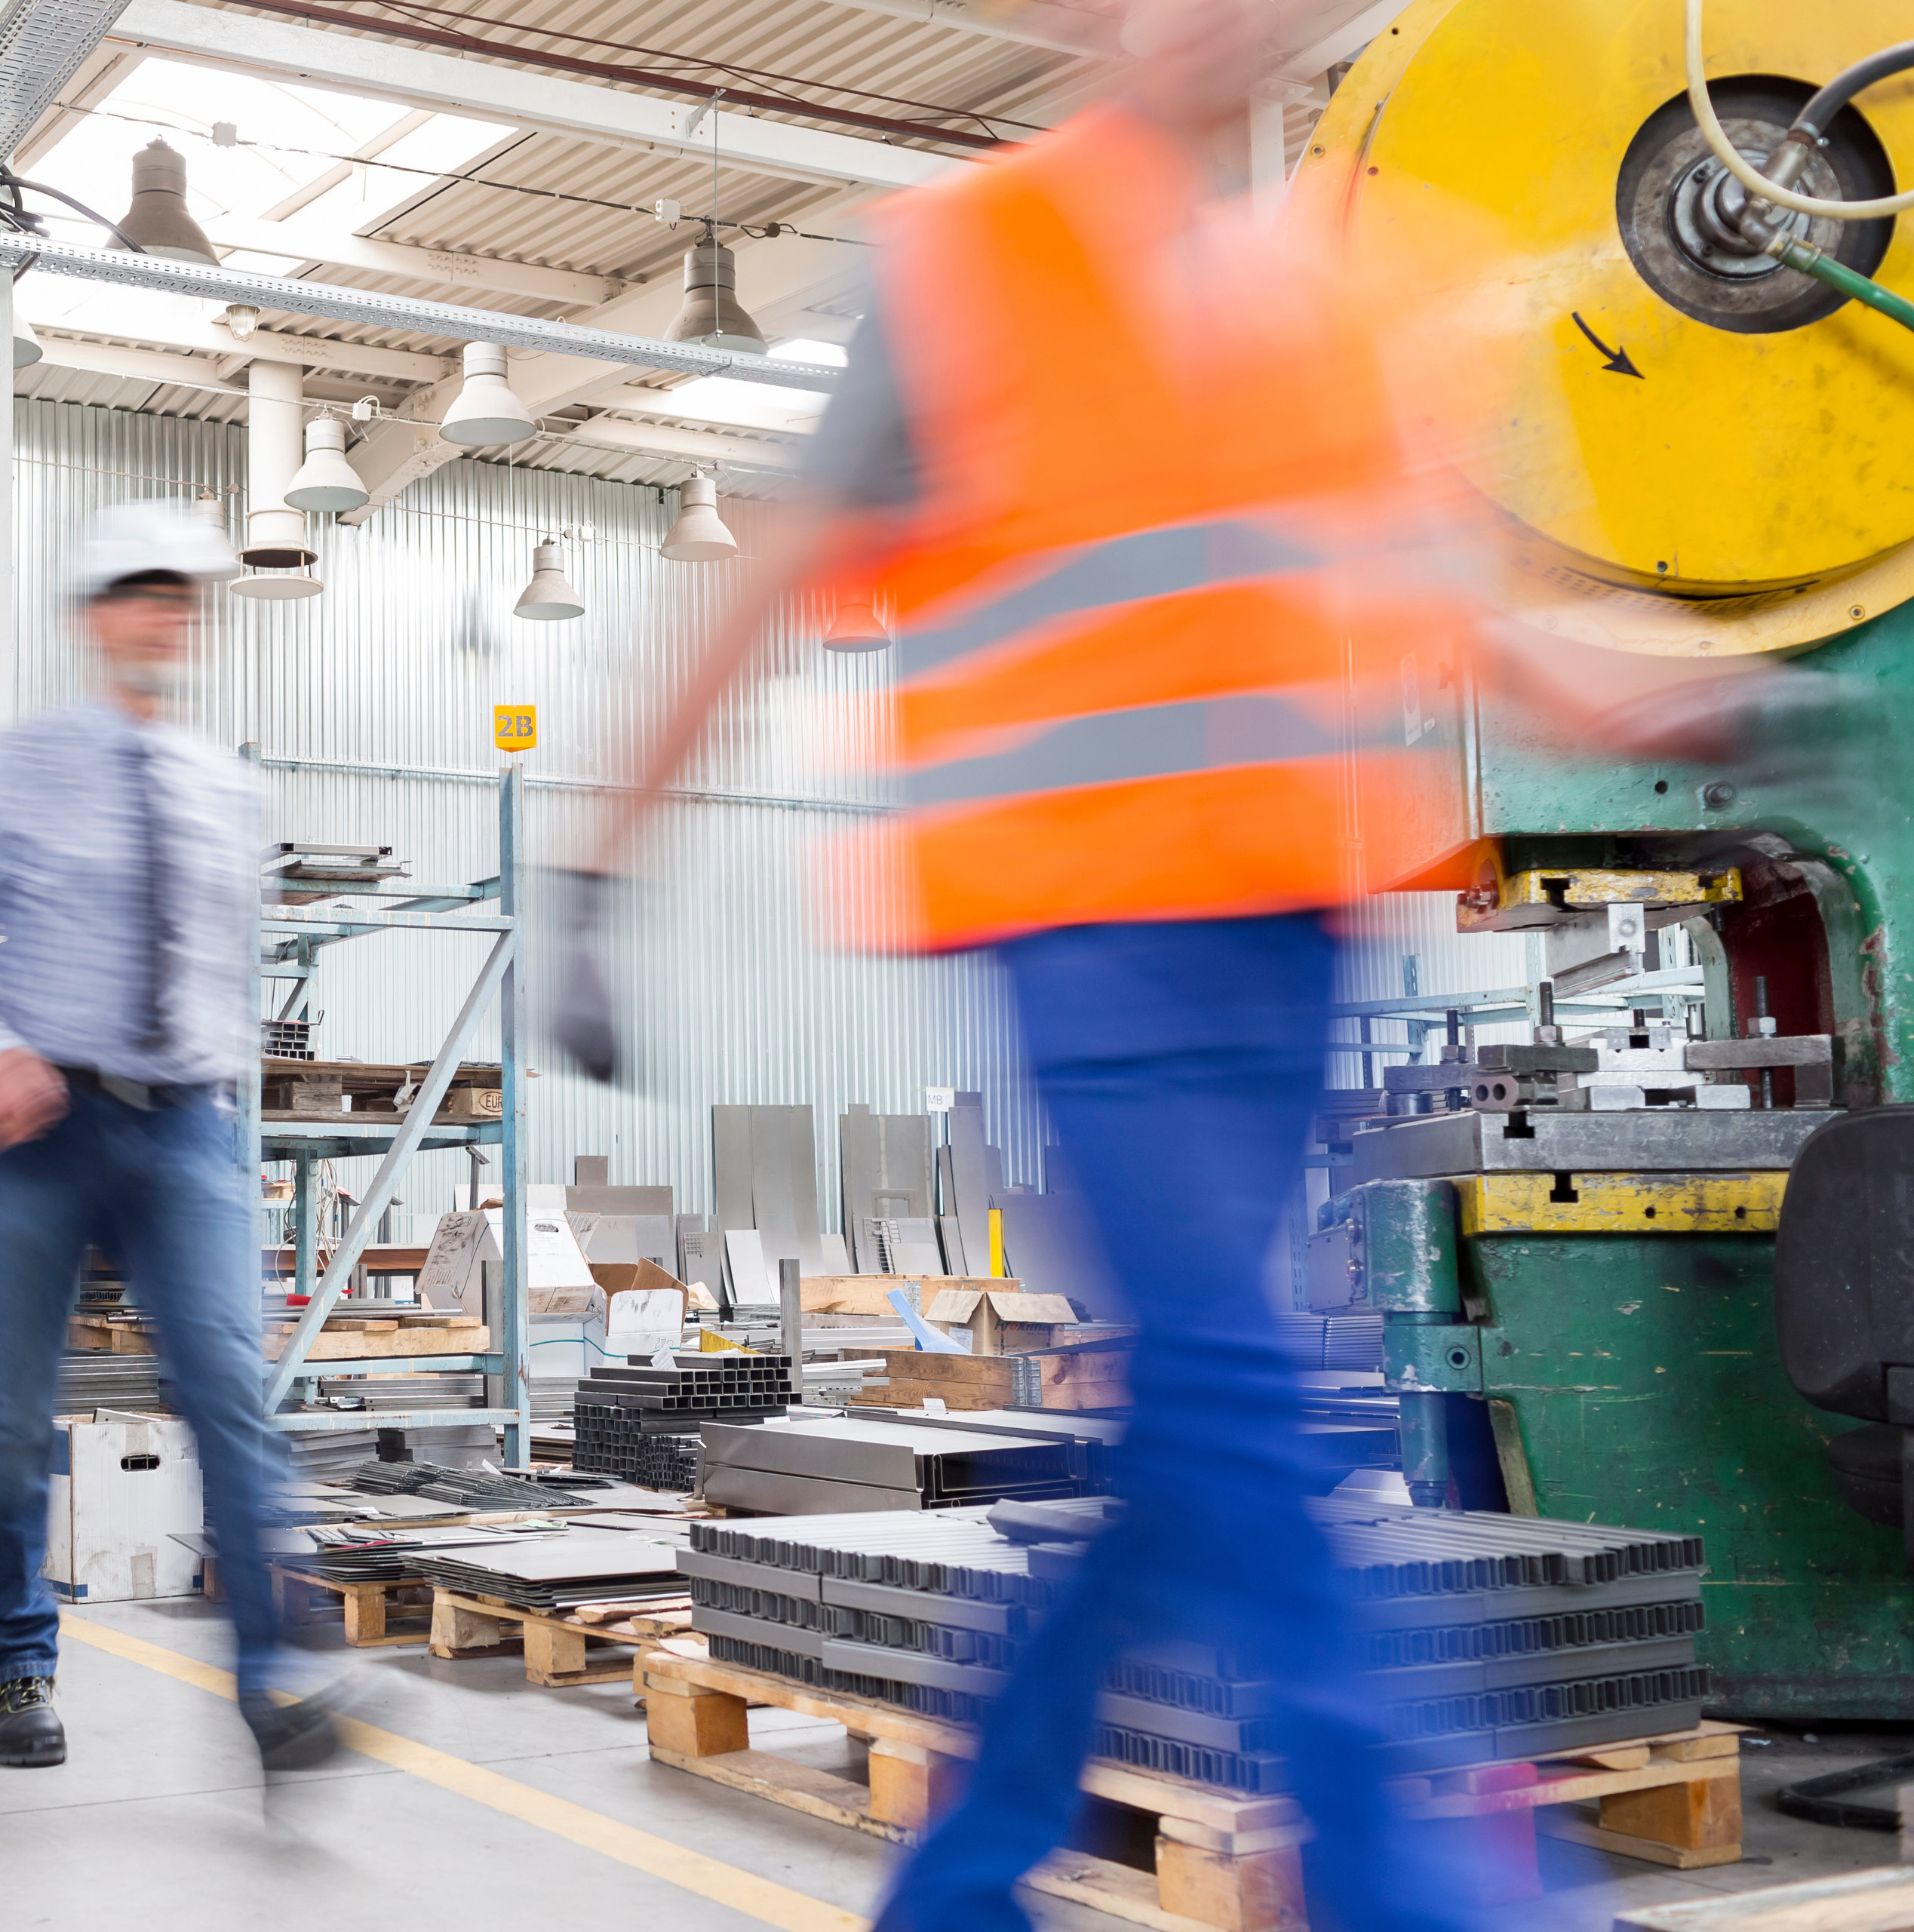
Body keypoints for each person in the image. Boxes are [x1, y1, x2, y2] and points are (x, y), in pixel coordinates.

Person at [566, 2, 1779, 1924]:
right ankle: (1434, 1897)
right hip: (1080, 933)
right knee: (1232, 1392)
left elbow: (1434, 576)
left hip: (1285, 934)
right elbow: (766, 582)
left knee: (1181, 1450)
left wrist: (1684, 700)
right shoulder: (963, 263)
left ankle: (959, 1883)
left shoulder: (1333, 293)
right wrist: (598, 866)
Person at [0, 500, 344, 1774]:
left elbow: (223, 971)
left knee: (232, 1399)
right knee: (12, 1420)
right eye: (142, 593)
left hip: (187, 1129)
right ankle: (18, 1663)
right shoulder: (17, 764)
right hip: (45, 1130)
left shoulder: (227, 785)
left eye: (183, 597)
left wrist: (229, 1101)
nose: (166, 616)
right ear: (95, 617)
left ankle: (276, 1682)